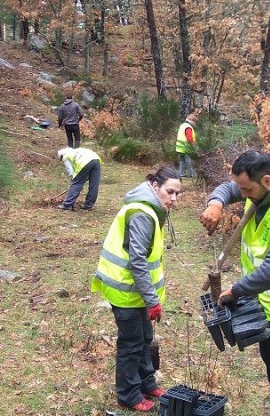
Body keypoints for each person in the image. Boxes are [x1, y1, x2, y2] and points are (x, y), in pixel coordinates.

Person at [198, 150, 270, 416]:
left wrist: (237, 290)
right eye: (241, 188)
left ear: (266, 181)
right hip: (266, 299)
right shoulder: (263, 187)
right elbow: (228, 189)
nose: (242, 195)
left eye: (247, 190)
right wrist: (216, 204)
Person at [91, 166, 182, 413]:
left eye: (177, 194)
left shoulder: (152, 209)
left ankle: (146, 383)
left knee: (145, 338)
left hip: (137, 292)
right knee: (131, 343)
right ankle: (128, 395)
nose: (173, 199)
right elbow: (137, 261)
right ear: (155, 186)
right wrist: (152, 300)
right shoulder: (142, 213)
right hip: (126, 291)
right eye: (170, 192)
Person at [56, 147, 101, 211]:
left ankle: (67, 205)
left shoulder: (65, 157)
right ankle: (88, 205)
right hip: (96, 160)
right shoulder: (76, 151)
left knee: (76, 184)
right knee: (94, 185)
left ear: (61, 156)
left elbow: (71, 172)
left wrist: (74, 181)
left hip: (85, 162)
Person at [175, 112, 198, 178]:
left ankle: (181, 173)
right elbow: (189, 138)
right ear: (192, 121)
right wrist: (194, 145)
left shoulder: (183, 125)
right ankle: (192, 174)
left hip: (180, 147)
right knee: (190, 161)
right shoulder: (188, 127)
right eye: (195, 122)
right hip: (186, 147)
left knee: (182, 161)